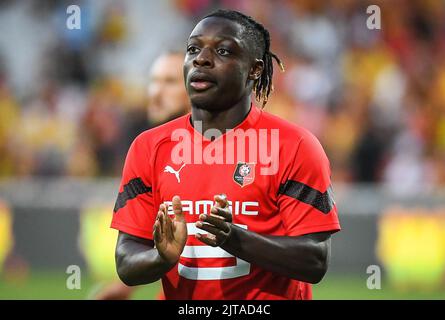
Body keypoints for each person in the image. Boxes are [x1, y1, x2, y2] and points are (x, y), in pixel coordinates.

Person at [111, 9, 340, 300]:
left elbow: (315, 261)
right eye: (193, 49)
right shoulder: (149, 147)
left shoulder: (294, 146)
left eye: (222, 50)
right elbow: (126, 260)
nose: (201, 59)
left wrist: (236, 239)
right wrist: (161, 258)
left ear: (255, 69)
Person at [95, 51, 190, 300]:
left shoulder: (225, 147)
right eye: (154, 81)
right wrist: (126, 285)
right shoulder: (153, 148)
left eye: (169, 82)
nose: (155, 92)